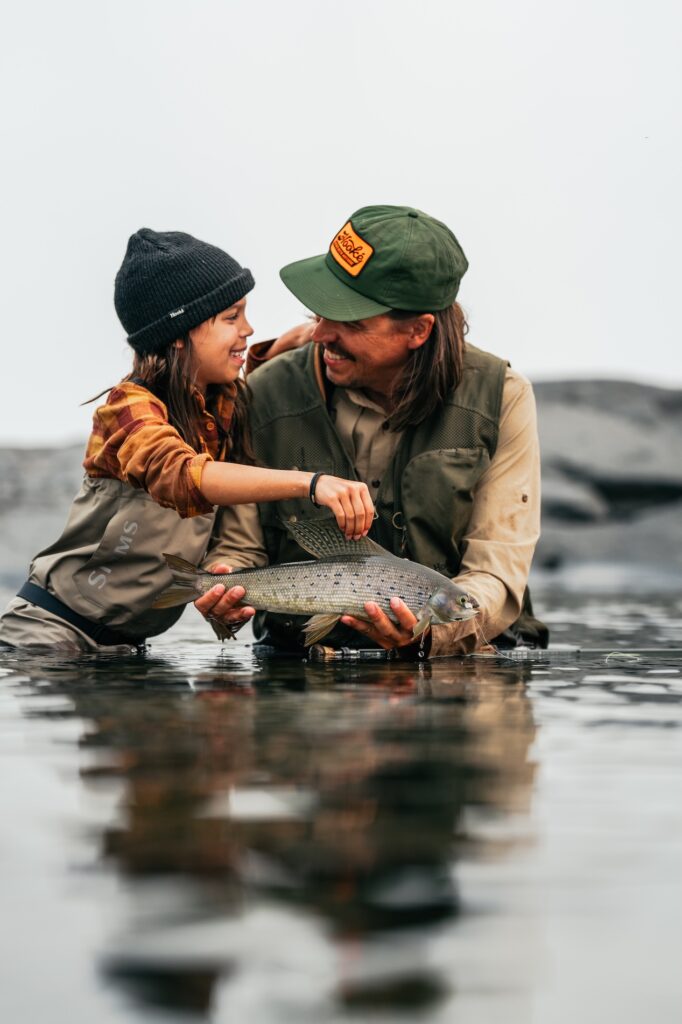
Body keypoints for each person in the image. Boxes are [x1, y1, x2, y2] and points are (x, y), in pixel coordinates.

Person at [196, 205, 548, 657]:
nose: (319, 334)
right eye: (318, 313)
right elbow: (240, 548)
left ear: (418, 330)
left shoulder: (502, 398)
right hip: (299, 670)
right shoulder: (265, 392)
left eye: (350, 323)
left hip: (468, 663)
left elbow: (496, 567)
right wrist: (224, 583)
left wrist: (432, 635)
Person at [0, 229, 373, 653]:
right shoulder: (126, 410)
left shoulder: (220, 406)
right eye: (232, 317)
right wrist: (311, 483)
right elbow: (183, 475)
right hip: (51, 633)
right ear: (178, 334)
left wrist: (306, 337)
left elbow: (250, 378)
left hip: (126, 648)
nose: (248, 328)